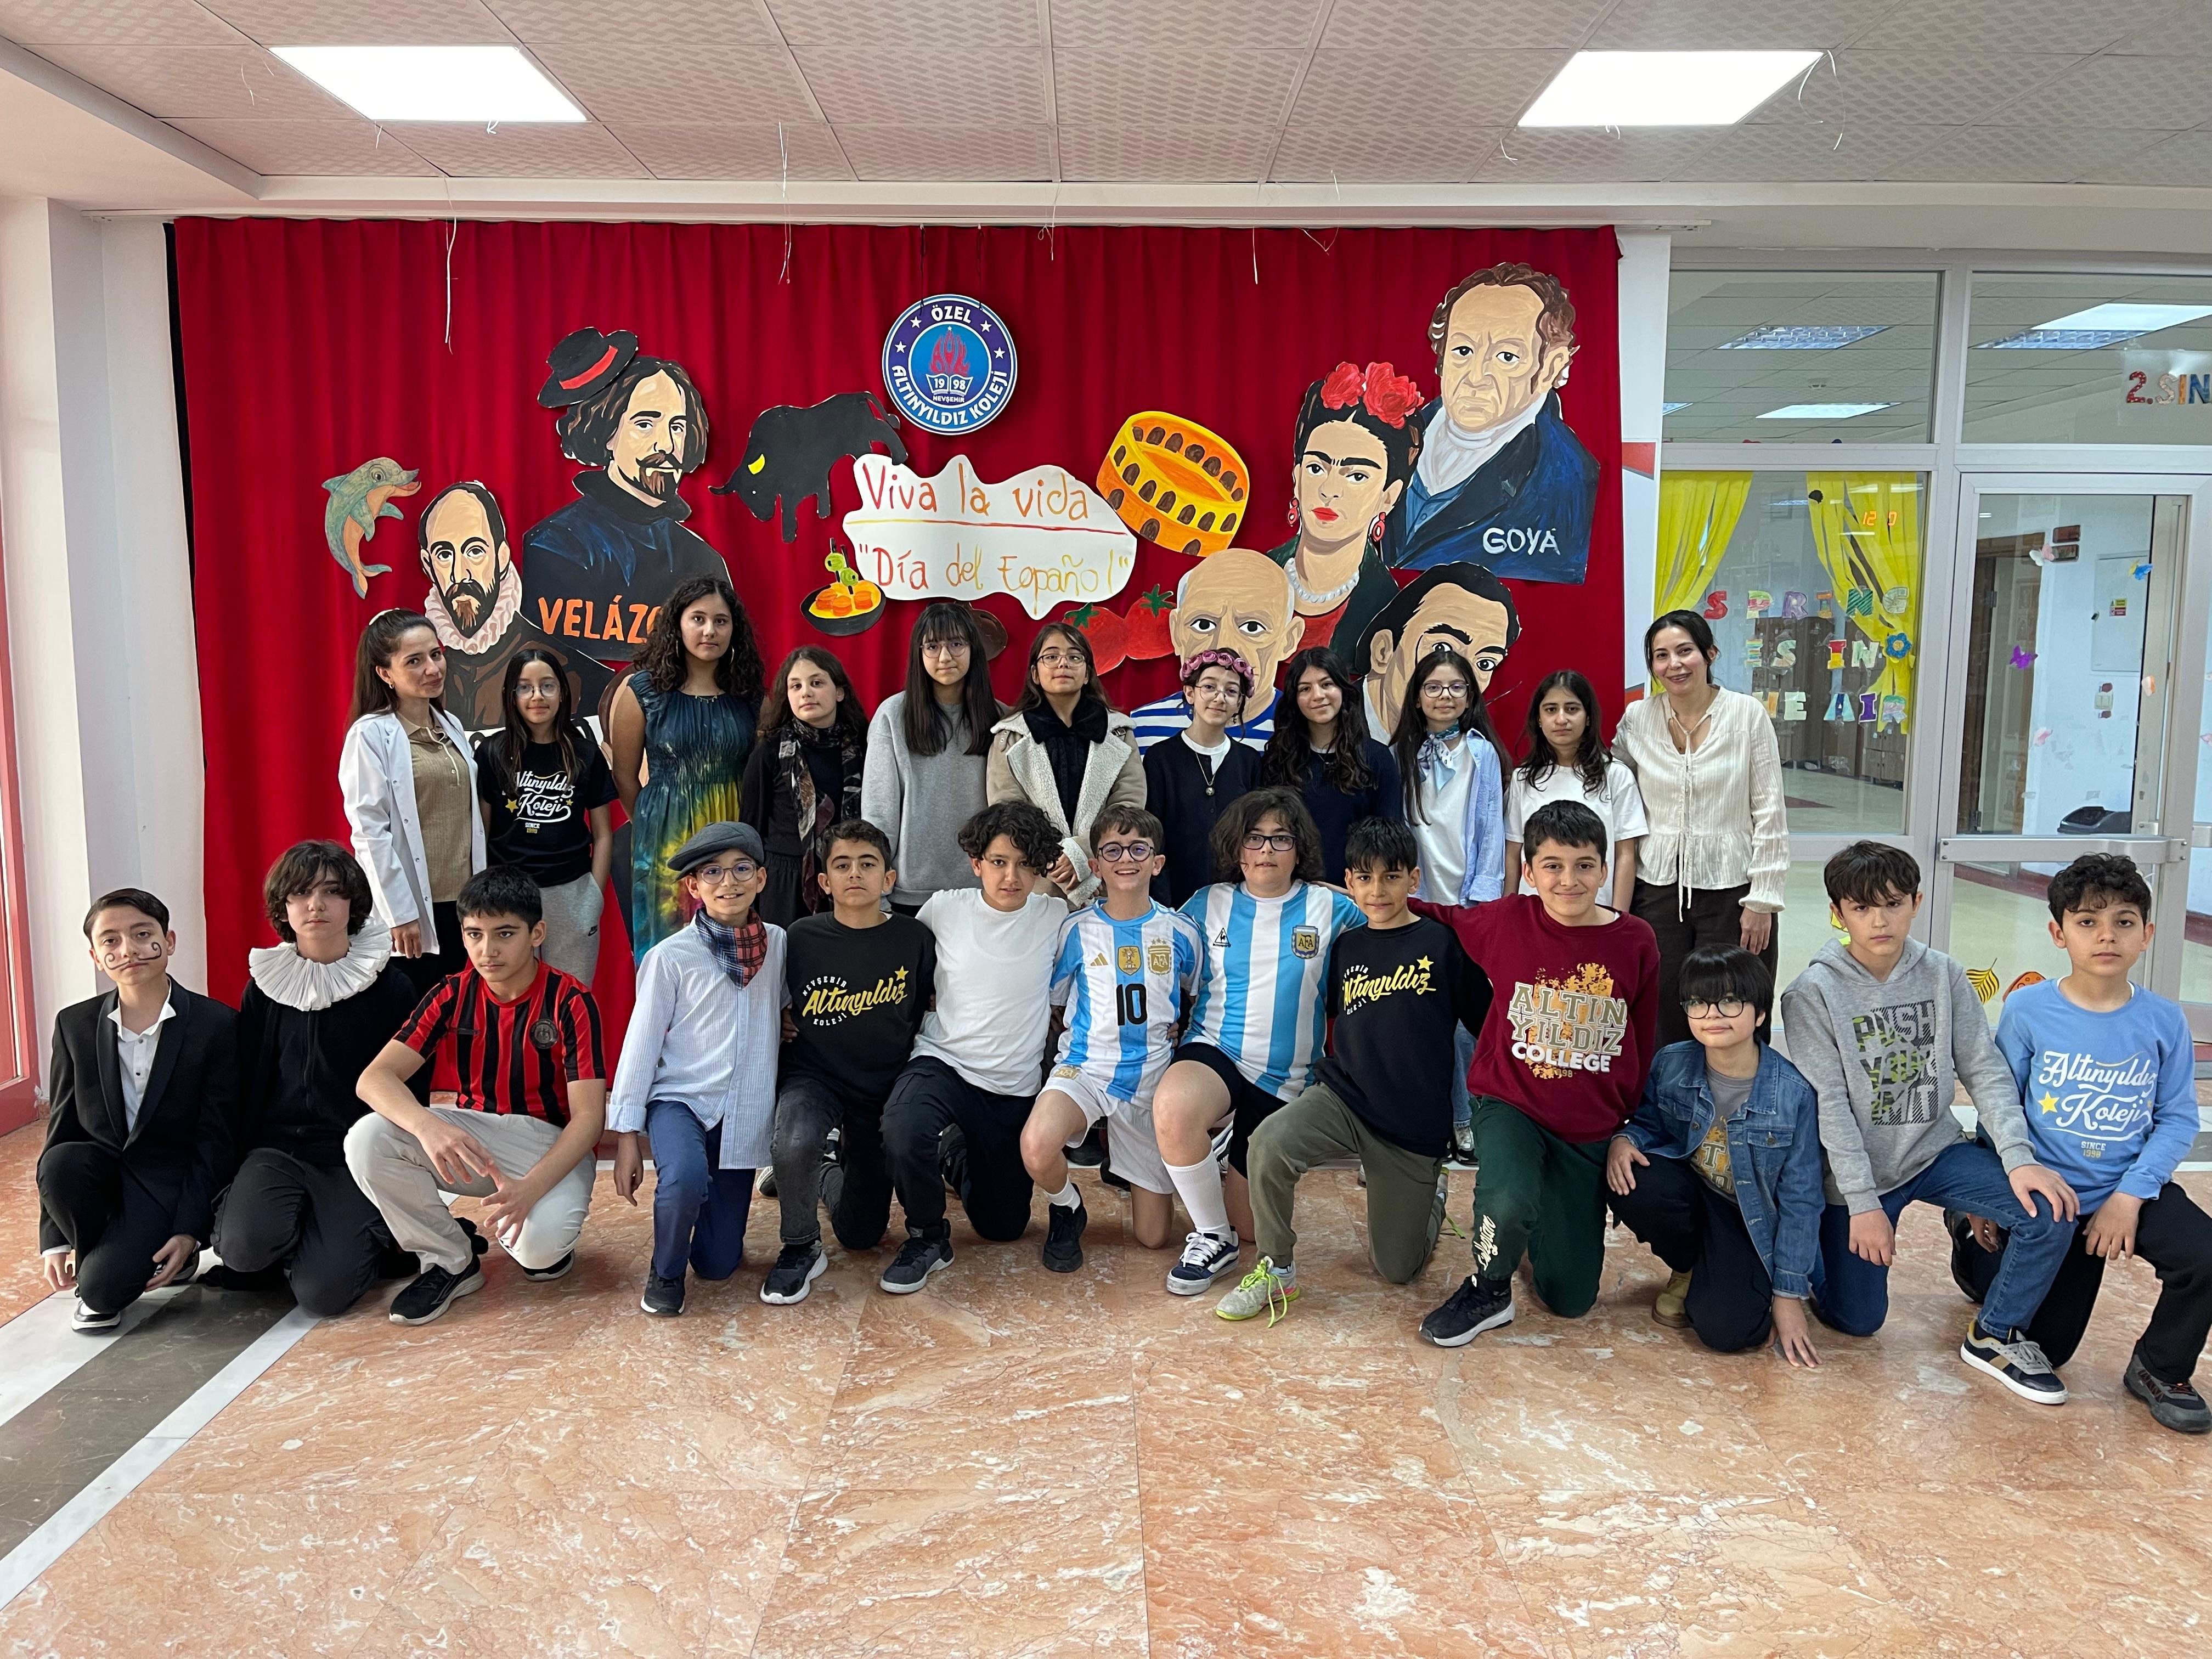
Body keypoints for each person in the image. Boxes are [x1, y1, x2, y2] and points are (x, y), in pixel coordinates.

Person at [1778, 841, 2078, 1403]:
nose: (1879, 921)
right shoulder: (1812, 993)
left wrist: (2018, 1161)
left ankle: (1993, 1331)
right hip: (1860, 1173)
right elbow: (1830, 1106)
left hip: (1937, 1152)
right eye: (1862, 908)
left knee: (2049, 1211)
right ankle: (1820, 1249)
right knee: (1858, 1320)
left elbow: (1985, 1070)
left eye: (1892, 904)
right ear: (1837, 913)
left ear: (1916, 903)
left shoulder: (1943, 974)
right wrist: (1862, 1204)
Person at [1949, 854, 2210, 1432]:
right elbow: (2000, 1103)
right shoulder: (2028, 1009)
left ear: (2147, 934)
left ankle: (2160, 1368)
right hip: (2047, 1193)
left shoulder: (2165, 1021)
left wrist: (2130, 1197)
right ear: (2058, 932)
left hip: (2124, 1188)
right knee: (2048, 1345)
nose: (2106, 936)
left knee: (2205, 1253)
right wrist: (1985, 1192)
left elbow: (2176, 1120)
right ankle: (1972, 1250)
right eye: (2088, 921)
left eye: (2123, 922)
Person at [1220, 817, 1490, 1325]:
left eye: (1391, 877)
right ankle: (1277, 1268)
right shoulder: (1346, 947)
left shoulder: (1443, 945)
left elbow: (1487, 1026)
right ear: (1349, 882)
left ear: (1413, 879)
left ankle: (1432, 1194)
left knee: (1397, 1269)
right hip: (1344, 1100)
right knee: (1269, 1142)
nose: (1377, 890)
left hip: (1410, 1125)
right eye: (1365, 878)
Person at [1410, 801, 1660, 1347]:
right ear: (1528, 871)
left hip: (1587, 1126)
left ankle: (1531, 1218)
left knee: (1570, 1299)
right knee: (1507, 1201)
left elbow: (1642, 1038)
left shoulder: (1637, 939)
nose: (1569, 880)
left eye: (1584, 865)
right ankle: (1488, 1288)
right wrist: (1369, 898)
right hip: (1511, 1102)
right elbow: (1438, 915)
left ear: (1605, 869)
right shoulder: (1507, 919)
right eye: (1552, 866)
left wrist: (1628, 1122)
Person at [348, 867, 607, 1325]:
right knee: (368, 1138)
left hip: (550, 1144)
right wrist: (428, 1126)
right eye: (475, 935)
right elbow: (374, 1079)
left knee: (541, 1255)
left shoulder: (570, 1001)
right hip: (478, 1139)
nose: (488, 950)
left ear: (537, 934)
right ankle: (450, 1260)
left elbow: (588, 1120)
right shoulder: (451, 993)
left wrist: (530, 1191)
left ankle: (537, 1228)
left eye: (505, 934)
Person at [1152, 788, 1366, 1295]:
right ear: (1237, 848)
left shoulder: (1334, 908)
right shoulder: (1207, 903)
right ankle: (1212, 1237)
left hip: (1287, 1078)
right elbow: (1161, 963)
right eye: (1255, 838)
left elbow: (1390, 932)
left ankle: (1227, 1155)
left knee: (1252, 1229)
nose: (1267, 849)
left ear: (1299, 848)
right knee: (1174, 1109)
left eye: (1280, 838)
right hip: (1216, 1051)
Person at [209, 844, 428, 1317]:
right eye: (302, 893)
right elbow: (249, 1084)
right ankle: (294, 1224)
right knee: (242, 1251)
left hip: (353, 1153)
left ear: (353, 903)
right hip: (277, 1149)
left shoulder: (391, 986)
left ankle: (341, 1231)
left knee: (325, 1295)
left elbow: (412, 1089)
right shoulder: (264, 987)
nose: (316, 905)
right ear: (283, 907)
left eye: (331, 892)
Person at [877, 803, 1066, 1294]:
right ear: (976, 863)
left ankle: (953, 1153)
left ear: (1040, 868)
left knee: (1003, 1227)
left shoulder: (1056, 917)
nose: (1011, 877)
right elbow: (895, 967)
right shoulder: (944, 909)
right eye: (999, 862)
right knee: (903, 1126)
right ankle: (927, 1237)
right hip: (944, 1062)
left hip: (1011, 1085)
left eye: (1025, 864)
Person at [1607, 946, 1824, 1365]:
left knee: (1730, 1332)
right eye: (1699, 1002)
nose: (1712, 1015)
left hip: (1749, 1219)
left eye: (1729, 1001)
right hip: (1693, 1196)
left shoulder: (1793, 1094)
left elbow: (1802, 1199)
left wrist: (1788, 1294)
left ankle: (1718, 1276)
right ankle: (1687, 1267)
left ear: (1760, 1014)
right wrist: (1625, 1138)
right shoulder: (1672, 1063)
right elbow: (1649, 1123)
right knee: (1632, 1177)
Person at [37, 890, 238, 1332]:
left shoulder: (216, 1025)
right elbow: (61, 1128)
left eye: (142, 934)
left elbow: (215, 1139)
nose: (127, 949)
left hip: (167, 1184)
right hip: (103, 1174)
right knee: (60, 1162)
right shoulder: (74, 1025)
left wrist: (189, 1231)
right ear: (96, 957)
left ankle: (132, 1261)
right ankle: (109, 1257)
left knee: (101, 1293)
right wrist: (53, 1239)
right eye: (110, 941)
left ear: (169, 941)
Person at [608, 824, 786, 1317]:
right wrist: (627, 1137)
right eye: (712, 872)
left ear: (761, 879)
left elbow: (785, 1004)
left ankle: (706, 1242)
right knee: (684, 1178)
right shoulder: (670, 957)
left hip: (742, 1110)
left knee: (717, 1264)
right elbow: (641, 1045)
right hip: (680, 1100)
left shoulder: (777, 944)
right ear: (693, 886)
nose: (728, 882)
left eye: (741, 869)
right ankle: (665, 1272)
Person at [1020, 806, 1205, 1272]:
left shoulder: (1181, 931)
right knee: (1037, 1147)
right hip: (1086, 1069)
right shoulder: (1075, 930)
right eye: (1113, 850)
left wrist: (1179, 1032)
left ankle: (1186, 1161)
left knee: (1154, 1238)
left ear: (1157, 863)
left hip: (1150, 1081)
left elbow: (1195, 997)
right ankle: (1068, 1205)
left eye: (1139, 849)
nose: (1126, 859)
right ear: (1096, 865)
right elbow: (1056, 1004)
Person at [763, 818, 936, 1305]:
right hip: (815, 1077)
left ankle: (821, 1173)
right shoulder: (799, 937)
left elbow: (927, 1007)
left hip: (881, 1088)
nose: (854, 874)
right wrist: (779, 1017)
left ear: (889, 878)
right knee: (794, 1141)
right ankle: (799, 1246)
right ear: (824, 881)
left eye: (867, 864)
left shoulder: (914, 939)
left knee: (860, 1234)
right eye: (842, 865)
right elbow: (768, 998)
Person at [521, 330, 729, 712]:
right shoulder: (554, 545)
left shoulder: (704, 561)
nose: (666, 445)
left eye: (677, 427)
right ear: (608, 435)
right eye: (646, 424)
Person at [1615, 610, 1787, 1050]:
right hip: (1657, 890)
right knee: (1663, 1006)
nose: (1674, 664)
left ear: (1710, 653)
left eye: (1685, 651)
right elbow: (1611, 784)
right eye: (1661, 655)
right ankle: (1669, 1090)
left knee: (1736, 1003)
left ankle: (1741, 1091)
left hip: (1733, 891)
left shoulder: (1746, 715)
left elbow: (1770, 809)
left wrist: (1763, 899)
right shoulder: (1638, 718)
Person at [1378, 262, 1599, 585]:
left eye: (1507, 357)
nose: (1476, 376)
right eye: (1463, 350)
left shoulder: (1567, 479)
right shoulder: (1391, 436)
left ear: (1551, 368)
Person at [608, 574, 766, 959]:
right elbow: (624, 776)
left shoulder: (750, 696)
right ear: (677, 624)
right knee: (670, 954)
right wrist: (651, 828)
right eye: (698, 619)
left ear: (734, 630)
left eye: (721, 621)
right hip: (665, 842)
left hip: (734, 836)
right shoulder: (643, 692)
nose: (710, 630)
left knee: (733, 951)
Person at [339, 609, 486, 995]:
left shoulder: (451, 726)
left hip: (465, 905)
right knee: (416, 1017)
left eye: (435, 654)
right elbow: (370, 832)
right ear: (385, 673)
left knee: (460, 1013)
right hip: (416, 912)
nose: (432, 669)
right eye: (414, 661)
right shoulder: (371, 735)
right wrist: (400, 913)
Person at [473, 647, 616, 984]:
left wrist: (594, 896)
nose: (537, 696)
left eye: (547, 686)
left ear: (562, 692)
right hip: (508, 895)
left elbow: (603, 834)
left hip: (571, 893)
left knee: (569, 996)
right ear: (511, 695)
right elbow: (481, 834)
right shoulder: (492, 753)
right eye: (525, 687)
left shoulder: (585, 753)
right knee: (511, 996)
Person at [1266, 361, 1426, 654]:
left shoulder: (1388, 610)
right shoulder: (1256, 574)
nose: (1329, 490)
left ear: (1388, 496)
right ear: (1297, 478)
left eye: (1356, 476)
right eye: (1316, 468)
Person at [987, 623, 1144, 905]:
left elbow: (1129, 805)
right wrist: (1055, 858)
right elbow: (1007, 812)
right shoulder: (1010, 737)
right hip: (1038, 881)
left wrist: (1081, 852)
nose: (1063, 664)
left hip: (1105, 875)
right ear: (1035, 674)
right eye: (1051, 656)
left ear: (1088, 673)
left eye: (1074, 657)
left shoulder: (1119, 733)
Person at [862, 602, 1001, 915]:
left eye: (957, 644)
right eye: (933, 646)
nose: (945, 657)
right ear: (919, 653)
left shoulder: (1000, 718)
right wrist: (877, 895)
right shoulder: (892, 716)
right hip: (909, 894)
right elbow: (878, 815)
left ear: (973, 649)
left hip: (984, 891)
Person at [1127, 549, 1306, 749]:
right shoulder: (1140, 729)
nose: (1224, 647)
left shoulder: (1306, 730)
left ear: (1288, 640)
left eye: (1252, 628)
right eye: (1203, 624)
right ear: (1177, 633)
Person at [742, 646, 868, 929]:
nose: (806, 693)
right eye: (796, 686)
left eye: (817, 683)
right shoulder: (769, 752)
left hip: (847, 874)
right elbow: (751, 828)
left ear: (840, 692)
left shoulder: (863, 748)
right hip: (783, 882)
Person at [1259, 647, 1402, 883]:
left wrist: (1360, 889)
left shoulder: (1376, 758)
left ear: (1343, 689)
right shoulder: (1278, 760)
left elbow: (1389, 838)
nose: (1318, 696)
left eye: (1327, 684)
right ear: (1294, 700)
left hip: (1356, 893)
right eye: (1305, 689)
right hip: (1291, 890)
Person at [1507, 669, 1646, 910]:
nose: (1561, 719)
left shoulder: (1616, 776)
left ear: (1588, 717)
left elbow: (1625, 854)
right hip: (1533, 913)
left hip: (1596, 911)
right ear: (1539, 719)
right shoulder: (1523, 779)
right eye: (1551, 710)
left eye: (1572, 709)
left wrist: (1618, 918)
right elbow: (1512, 853)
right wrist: (1507, 912)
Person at [1142, 651, 1262, 907]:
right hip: (1173, 898)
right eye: (1209, 687)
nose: (1220, 698)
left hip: (1238, 899)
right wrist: (1163, 903)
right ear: (1190, 693)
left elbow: (1256, 835)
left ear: (1239, 702)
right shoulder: (1160, 758)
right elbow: (1152, 835)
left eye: (1231, 691)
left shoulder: (1249, 761)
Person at [1392, 647, 1506, 907]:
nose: (1445, 695)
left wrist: (1485, 892)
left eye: (1456, 687)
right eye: (1433, 688)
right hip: (1416, 891)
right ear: (1417, 698)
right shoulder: (1401, 753)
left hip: (1466, 891)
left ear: (1469, 697)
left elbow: (1491, 829)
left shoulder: (1482, 752)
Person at [1353, 562, 1521, 735]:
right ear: (1383, 651)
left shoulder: (1469, 745)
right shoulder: (1337, 726)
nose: (1460, 679)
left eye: (1485, 664)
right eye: (1441, 648)